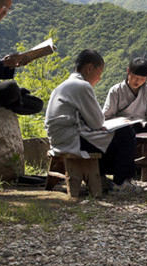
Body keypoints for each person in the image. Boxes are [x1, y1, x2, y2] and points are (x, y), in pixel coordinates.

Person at [45, 50, 137, 191]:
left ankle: (100, 177)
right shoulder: (82, 86)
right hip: (73, 140)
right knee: (126, 132)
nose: (99, 78)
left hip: (60, 138)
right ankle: (122, 183)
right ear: (89, 68)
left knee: (111, 139)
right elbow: (97, 122)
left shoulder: (64, 85)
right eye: (99, 73)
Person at [102, 56, 147, 173]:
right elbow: (107, 116)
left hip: (142, 127)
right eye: (135, 77)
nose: (137, 82)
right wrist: (121, 121)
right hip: (122, 128)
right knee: (126, 133)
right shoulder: (116, 90)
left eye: (142, 79)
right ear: (128, 71)